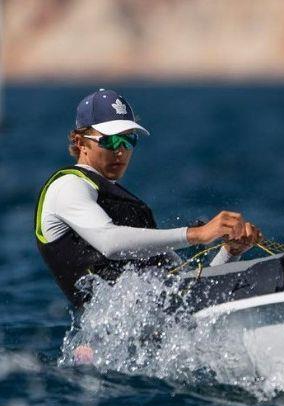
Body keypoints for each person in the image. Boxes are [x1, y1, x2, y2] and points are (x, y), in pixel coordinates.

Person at [35, 88, 262, 307]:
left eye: (128, 140)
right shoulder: (67, 186)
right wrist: (198, 234)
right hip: (111, 336)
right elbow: (110, 244)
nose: (121, 151)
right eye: (110, 141)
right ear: (80, 142)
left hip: (153, 324)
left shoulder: (122, 203)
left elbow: (192, 288)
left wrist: (231, 252)